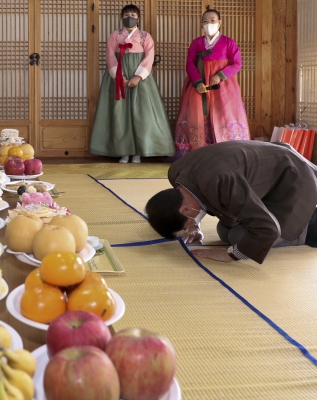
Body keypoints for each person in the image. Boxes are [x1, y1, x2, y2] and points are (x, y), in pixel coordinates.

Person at [145, 141, 317, 264]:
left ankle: (304, 226)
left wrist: (232, 255)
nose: (187, 228)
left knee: (239, 238)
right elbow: (195, 197)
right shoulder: (176, 173)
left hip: (294, 180)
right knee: (225, 230)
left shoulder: (220, 180)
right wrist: (194, 226)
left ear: (185, 209)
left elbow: (267, 228)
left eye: (185, 225)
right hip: (267, 174)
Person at [89, 4, 175, 163]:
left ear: (139, 19)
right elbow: (110, 57)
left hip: (141, 78)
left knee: (142, 114)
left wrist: (138, 76)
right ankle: (124, 151)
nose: (130, 17)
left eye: (133, 14)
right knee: (120, 114)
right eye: (127, 14)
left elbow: (149, 58)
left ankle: (139, 151)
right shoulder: (115, 35)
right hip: (118, 76)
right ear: (122, 18)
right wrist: (119, 76)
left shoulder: (145, 36)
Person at [173, 6, 250, 158]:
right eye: (205, 21)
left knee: (224, 113)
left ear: (219, 22)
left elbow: (237, 64)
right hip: (200, 86)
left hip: (223, 86)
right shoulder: (197, 43)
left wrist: (221, 75)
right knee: (198, 115)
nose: (209, 24)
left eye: (213, 20)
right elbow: (190, 64)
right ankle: (197, 151)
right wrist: (197, 82)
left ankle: (228, 150)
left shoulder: (229, 42)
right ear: (202, 24)